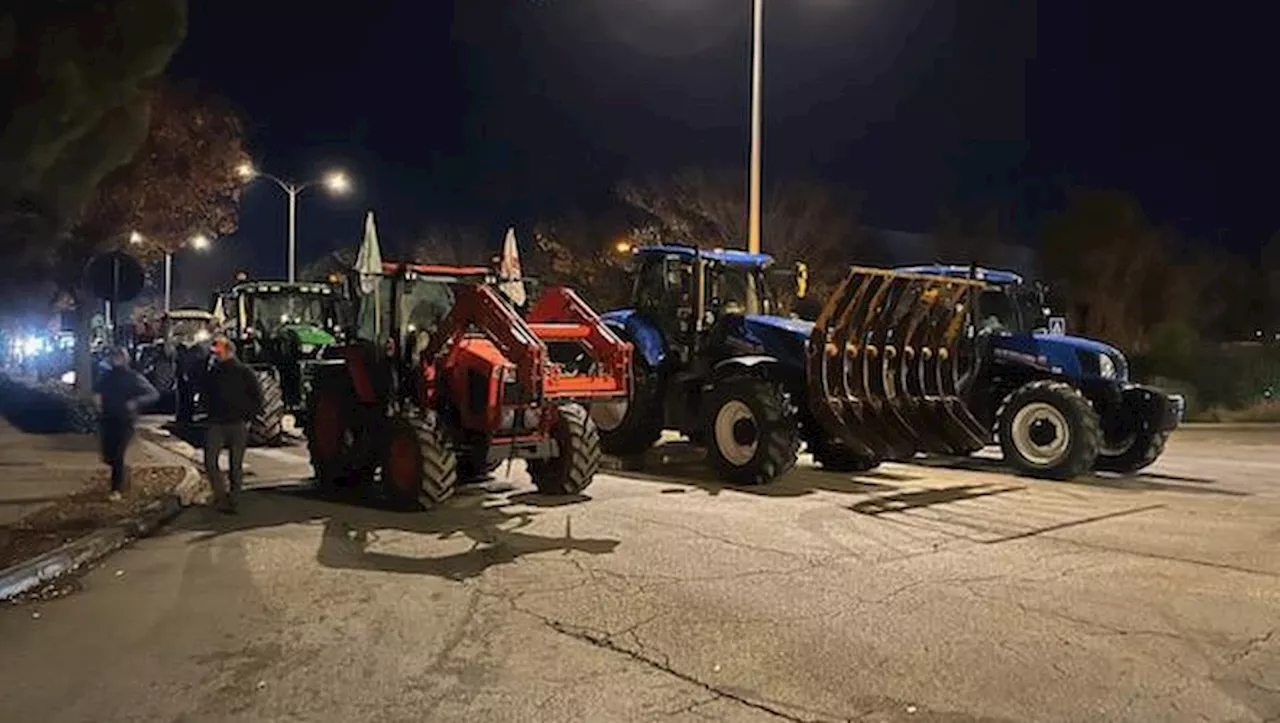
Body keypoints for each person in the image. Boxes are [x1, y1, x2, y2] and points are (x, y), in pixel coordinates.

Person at [203, 336, 262, 513]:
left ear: (228, 351)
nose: (215, 355)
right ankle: (221, 496)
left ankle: (234, 499)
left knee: (235, 465)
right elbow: (206, 394)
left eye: (218, 352)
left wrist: (249, 417)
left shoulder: (244, 372)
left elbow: (257, 397)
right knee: (210, 461)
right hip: (217, 424)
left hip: (237, 424)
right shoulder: (214, 373)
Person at [95, 347, 160, 501]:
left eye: (119, 356)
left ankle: (116, 488)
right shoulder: (106, 376)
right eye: (114, 356)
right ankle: (124, 475)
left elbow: (153, 393)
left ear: (125, 359)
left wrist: (136, 402)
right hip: (108, 419)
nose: (115, 359)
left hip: (125, 420)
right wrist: (98, 404)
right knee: (108, 455)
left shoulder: (133, 377)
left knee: (117, 454)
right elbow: (97, 391)